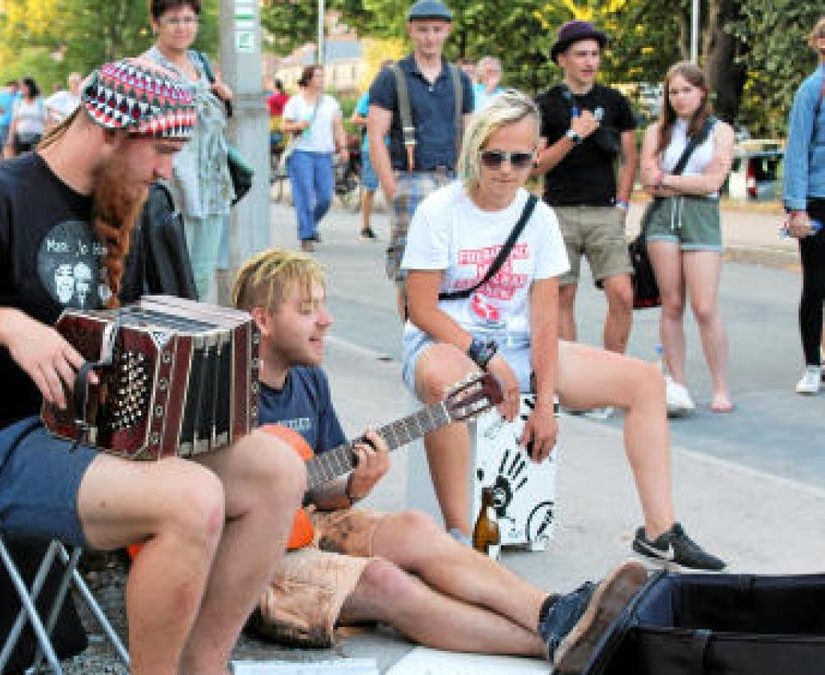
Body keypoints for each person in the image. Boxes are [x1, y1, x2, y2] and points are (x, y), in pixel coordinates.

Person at [0, 59, 304, 674]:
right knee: (190, 499)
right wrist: (6, 324)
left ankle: (203, 665)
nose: (167, 169)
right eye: (160, 150)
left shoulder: (137, 201)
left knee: (276, 471)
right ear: (109, 130)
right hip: (6, 444)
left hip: (112, 430)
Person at [231, 247, 648, 673]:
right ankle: (557, 647)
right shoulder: (224, 394)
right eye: (307, 310)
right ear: (263, 321)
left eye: (323, 305)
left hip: (307, 522)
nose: (326, 319)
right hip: (254, 557)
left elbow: (317, 488)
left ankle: (557, 613)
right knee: (386, 581)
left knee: (416, 527)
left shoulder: (309, 379)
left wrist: (354, 486)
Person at [400, 90, 726, 572]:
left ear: (537, 155)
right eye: (494, 156)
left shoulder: (538, 218)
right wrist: (488, 357)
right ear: (475, 151)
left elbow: (545, 320)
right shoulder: (439, 210)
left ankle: (660, 531)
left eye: (521, 157)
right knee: (453, 384)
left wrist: (548, 404)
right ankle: (459, 538)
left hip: (516, 343)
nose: (507, 169)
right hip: (448, 338)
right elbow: (422, 309)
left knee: (645, 382)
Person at [533, 20, 638, 355]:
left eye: (594, 54)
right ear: (562, 59)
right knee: (563, 296)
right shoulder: (545, 104)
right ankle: (570, 380)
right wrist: (573, 135)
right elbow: (537, 165)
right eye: (581, 54)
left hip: (604, 211)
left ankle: (609, 372)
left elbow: (629, 157)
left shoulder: (614, 101)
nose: (590, 61)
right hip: (558, 211)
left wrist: (622, 203)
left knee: (622, 293)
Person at [366, 0, 475, 317]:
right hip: (410, 179)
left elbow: (472, 135)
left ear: (447, 31)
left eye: (436, 30)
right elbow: (376, 135)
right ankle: (413, 345)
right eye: (423, 30)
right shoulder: (391, 78)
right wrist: (391, 186)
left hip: (453, 178)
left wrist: (471, 181)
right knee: (411, 273)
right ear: (410, 30)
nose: (430, 37)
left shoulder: (459, 79)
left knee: (454, 270)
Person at [638, 62, 736, 414]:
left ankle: (720, 386)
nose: (679, 98)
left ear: (702, 92)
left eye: (686, 91)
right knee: (672, 304)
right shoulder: (657, 131)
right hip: (663, 221)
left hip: (701, 219)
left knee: (705, 307)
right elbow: (647, 179)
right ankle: (677, 384)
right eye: (674, 92)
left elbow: (713, 183)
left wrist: (669, 181)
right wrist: (669, 181)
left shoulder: (720, 131)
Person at [141, 0, 235, 301]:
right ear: (156, 24)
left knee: (202, 274)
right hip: (173, 187)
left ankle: (196, 342)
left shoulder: (200, 63)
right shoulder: (147, 67)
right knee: (173, 275)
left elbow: (212, 120)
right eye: (173, 20)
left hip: (212, 185)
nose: (183, 27)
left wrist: (224, 97)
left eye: (189, 19)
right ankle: (174, 340)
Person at [784, 16, 825, 395]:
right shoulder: (812, 90)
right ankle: (813, 364)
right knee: (816, 284)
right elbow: (796, 150)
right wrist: (796, 207)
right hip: (817, 199)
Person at [281, 64, 349, 252]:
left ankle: (310, 226)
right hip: (301, 153)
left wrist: (343, 147)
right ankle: (306, 236)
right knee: (303, 195)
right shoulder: (295, 102)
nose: (321, 79)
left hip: (323, 154)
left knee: (325, 196)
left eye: (322, 76)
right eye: (318, 76)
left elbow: (338, 126)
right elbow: (284, 127)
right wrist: (297, 126)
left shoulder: (330, 102)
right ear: (308, 79)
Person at [350, 61, 394, 241]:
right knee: (370, 187)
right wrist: (377, 121)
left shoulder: (403, 96)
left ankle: (397, 229)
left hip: (396, 148)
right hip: (373, 147)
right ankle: (365, 227)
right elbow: (355, 118)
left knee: (395, 189)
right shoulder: (372, 95)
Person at [9, 77, 46, 155]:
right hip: (20, 137)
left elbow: (46, 120)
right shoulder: (18, 101)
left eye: (23, 86)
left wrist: (47, 136)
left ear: (30, 87)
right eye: (20, 87)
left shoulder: (40, 102)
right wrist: (11, 138)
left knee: (34, 161)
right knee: (20, 161)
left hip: (37, 137)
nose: (21, 89)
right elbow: (14, 121)